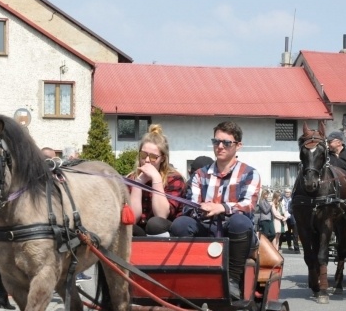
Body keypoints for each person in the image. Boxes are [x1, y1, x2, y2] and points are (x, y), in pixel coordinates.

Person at [170, 121, 261, 299]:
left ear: (238, 146)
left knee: (240, 221)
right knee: (180, 224)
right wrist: (201, 207)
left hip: (236, 232)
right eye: (216, 142)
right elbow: (190, 205)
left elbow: (248, 205)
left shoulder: (250, 173)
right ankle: (190, 277)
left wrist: (221, 207)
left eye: (226, 143)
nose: (220, 146)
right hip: (206, 226)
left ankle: (233, 281)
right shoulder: (199, 174)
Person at [127, 124, 186, 237]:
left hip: (165, 230)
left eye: (153, 157)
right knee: (129, 228)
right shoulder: (131, 179)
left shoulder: (174, 179)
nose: (147, 160)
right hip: (141, 229)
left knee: (155, 224)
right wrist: (138, 184)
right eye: (143, 155)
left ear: (162, 158)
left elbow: (161, 215)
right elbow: (132, 219)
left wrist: (156, 179)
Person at [282, 187, 299, 252]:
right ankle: (289, 246)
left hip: (293, 218)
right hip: (284, 218)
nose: (287, 193)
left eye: (288, 192)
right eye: (286, 192)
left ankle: (296, 248)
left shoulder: (293, 199)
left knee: (295, 234)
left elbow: (293, 209)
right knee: (287, 233)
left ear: (290, 193)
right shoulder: (281, 199)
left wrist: (288, 214)